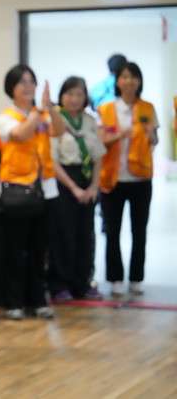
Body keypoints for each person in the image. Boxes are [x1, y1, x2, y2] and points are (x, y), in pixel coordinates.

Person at [0, 64, 65, 321]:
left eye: (31, 81)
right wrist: (40, 111)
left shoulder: (41, 114)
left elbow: (59, 130)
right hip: (17, 191)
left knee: (39, 249)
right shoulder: (6, 117)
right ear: (11, 88)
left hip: (45, 189)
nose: (27, 86)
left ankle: (38, 301)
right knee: (15, 249)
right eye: (21, 82)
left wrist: (51, 108)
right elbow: (22, 134)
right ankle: (14, 303)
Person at [96, 61, 158, 298]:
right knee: (112, 231)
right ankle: (114, 278)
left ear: (139, 81)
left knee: (139, 231)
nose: (129, 81)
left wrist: (151, 135)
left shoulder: (148, 108)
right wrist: (119, 136)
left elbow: (154, 141)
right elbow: (100, 140)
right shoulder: (106, 109)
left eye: (133, 77)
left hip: (141, 178)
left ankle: (136, 278)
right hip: (113, 178)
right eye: (124, 77)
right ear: (117, 81)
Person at [47, 76, 106, 302]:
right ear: (61, 96)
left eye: (79, 94)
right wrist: (73, 188)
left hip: (87, 178)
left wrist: (93, 186)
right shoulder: (55, 120)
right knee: (63, 234)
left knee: (86, 234)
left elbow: (98, 155)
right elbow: (52, 161)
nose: (74, 99)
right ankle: (60, 284)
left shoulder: (89, 121)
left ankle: (83, 282)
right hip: (64, 181)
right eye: (70, 94)